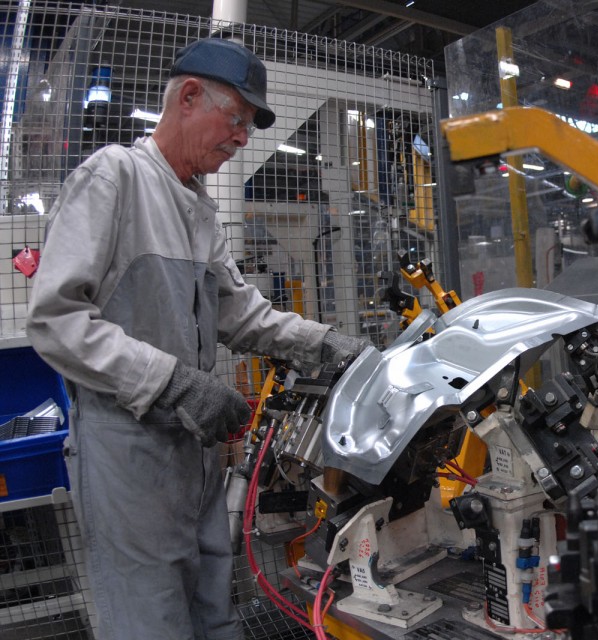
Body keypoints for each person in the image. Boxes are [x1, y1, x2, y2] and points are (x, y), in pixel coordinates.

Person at [26, 38, 367, 640]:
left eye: (248, 128)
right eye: (236, 119)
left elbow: (243, 315)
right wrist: (174, 383)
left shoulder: (196, 206)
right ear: (188, 97)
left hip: (195, 449)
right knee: (150, 617)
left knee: (214, 605)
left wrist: (330, 345)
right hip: (128, 451)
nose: (242, 139)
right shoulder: (116, 178)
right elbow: (56, 321)